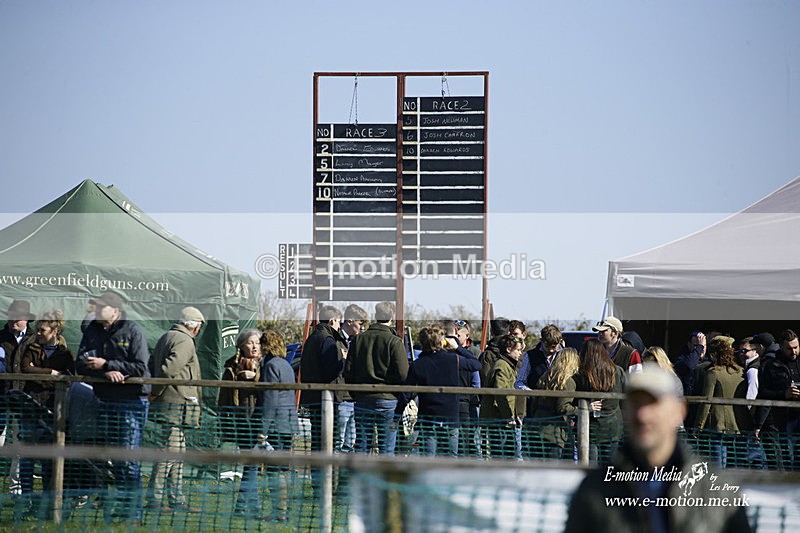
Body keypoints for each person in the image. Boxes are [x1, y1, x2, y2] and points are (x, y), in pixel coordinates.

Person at [564, 363, 752, 533]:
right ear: (626, 412)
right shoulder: (595, 489)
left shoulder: (716, 487)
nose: (643, 415)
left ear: (679, 411)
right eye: (636, 404)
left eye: (653, 403)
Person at [76, 291, 150, 524]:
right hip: (104, 400)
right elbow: (80, 363)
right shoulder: (92, 331)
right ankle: (125, 509)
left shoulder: (133, 330)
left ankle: (134, 512)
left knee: (129, 459)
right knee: (116, 460)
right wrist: (104, 370)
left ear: (115, 310)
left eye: (101, 307)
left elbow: (140, 367)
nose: (97, 311)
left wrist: (108, 362)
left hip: (131, 402)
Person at [16, 309, 74, 515]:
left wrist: (40, 374)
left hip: (53, 410)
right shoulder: (31, 346)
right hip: (31, 408)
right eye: (38, 329)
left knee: (50, 459)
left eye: (42, 330)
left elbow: (68, 377)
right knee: (27, 458)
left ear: (55, 330)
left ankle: (49, 504)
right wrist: (50, 373)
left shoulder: (64, 353)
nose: (38, 333)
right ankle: (27, 501)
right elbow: (26, 369)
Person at [146, 306, 205, 513]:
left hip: (170, 404)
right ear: (195, 327)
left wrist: (155, 392)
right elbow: (168, 370)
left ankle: (176, 499)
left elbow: (152, 363)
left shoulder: (166, 337)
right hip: (176, 405)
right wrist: (155, 390)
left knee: (177, 454)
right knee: (168, 454)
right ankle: (154, 499)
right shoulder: (185, 340)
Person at [395, 324, 481, 456]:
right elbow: (476, 364)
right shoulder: (453, 359)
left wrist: (397, 416)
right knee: (452, 456)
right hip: (451, 416)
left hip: (428, 417)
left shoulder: (418, 365)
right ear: (442, 341)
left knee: (429, 457)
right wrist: (458, 348)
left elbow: (406, 394)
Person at [344, 301, 408, 455]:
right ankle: (385, 478)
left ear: (375, 316)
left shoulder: (358, 339)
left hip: (362, 397)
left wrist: (355, 393)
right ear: (392, 317)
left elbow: (348, 371)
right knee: (386, 449)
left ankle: (359, 478)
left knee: (361, 446)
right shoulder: (394, 341)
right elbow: (403, 374)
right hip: (388, 399)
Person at [218, 328, 263, 516]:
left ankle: (246, 506)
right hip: (242, 421)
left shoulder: (264, 366)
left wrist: (256, 378)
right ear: (241, 345)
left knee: (252, 463)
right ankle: (248, 506)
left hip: (261, 419)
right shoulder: (231, 368)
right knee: (250, 462)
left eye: (257, 343)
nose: (254, 346)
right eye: (250, 342)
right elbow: (224, 400)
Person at [259, 329, 299, 523]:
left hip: (275, 425)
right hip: (288, 423)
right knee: (283, 468)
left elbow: (270, 399)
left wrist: (263, 430)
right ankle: (284, 510)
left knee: (275, 470)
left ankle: (279, 511)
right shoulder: (286, 365)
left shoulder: (270, 366)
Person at [692, 336, 750, 468]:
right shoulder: (741, 372)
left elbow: (706, 402)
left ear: (713, 354)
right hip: (739, 427)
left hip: (718, 428)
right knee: (737, 468)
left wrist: (698, 427)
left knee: (718, 470)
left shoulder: (713, 373)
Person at [0, 299, 37, 496]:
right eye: (12, 316)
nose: (14, 320)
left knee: (20, 446)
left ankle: (16, 490)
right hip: (1, 397)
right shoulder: (0, 336)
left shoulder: (35, 339)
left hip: (24, 400)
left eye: (19, 317)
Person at [300, 305, 347, 457]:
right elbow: (331, 371)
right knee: (327, 441)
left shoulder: (312, 338)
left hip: (312, 396)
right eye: (339, 322)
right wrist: (344, 361)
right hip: (326, 399)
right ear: (332, 320)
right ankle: (325, 478)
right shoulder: (328, 340)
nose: (339, 325)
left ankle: (317, 477)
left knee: (316, 440)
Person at [574, 338, 626, 463]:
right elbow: (625, 397)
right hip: (613, 427)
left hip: (590, 428)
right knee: (610, 470)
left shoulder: (582, 375)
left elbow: (573, 400)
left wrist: (586, 407)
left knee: (591, 470)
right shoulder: (617, 371)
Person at [516, 324, 563, 456]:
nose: (552, 350)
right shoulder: (530, 356)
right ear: (542, 341)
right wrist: (533, 394)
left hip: (557, 416)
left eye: (555, 346)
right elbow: (519, 382)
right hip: (535, 414)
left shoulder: (564, 356)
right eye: (549, 347)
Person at [756, 329, 800, 470]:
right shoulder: (770, 365)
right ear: (781, 347)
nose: (793, 352)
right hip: (779, 422)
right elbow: (763, 392)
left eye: (796, 347)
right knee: (781, 465)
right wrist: (784, 394)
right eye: (789, 349)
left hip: (797, 421)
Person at [529, 347, 579, 460]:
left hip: (536, 429)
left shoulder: (546, 376)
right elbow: (563, 408)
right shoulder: (568, 382)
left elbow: (534, 403)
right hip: (554, 434)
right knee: (552, 472)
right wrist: (583, 410)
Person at [480, 334, 523, 459]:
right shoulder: (502, 366)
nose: (520, 353)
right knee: (502, 455)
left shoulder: (508, 365)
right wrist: (508, 416)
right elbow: (501, 393)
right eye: (518, 350)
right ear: (509, 349)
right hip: (499, 419)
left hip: (503, 418)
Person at [337, 304, 367, 453]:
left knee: (350, 442)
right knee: (338, 440)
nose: (362, 328)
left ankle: (344, 475)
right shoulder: (335, 339)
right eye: (360, 323)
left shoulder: (357, 342)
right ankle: (332, 475)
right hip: (341, 396)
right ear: (349, 321)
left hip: (354, 397)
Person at [450, 320, 481, 457]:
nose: (456, 338)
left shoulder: (472, 353)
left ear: (467, 336)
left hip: (467, 402)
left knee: (468, 440)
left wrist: (472, 399)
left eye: (459, 335)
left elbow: (476, 382)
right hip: (455, 401)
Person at [674, 331, 707, 397]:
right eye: (696, 346)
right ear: (689, 345)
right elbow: (690, 365)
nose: (702, 349)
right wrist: (700, 347)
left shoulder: (709, 361)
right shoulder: (682, 360)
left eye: (704, 346)